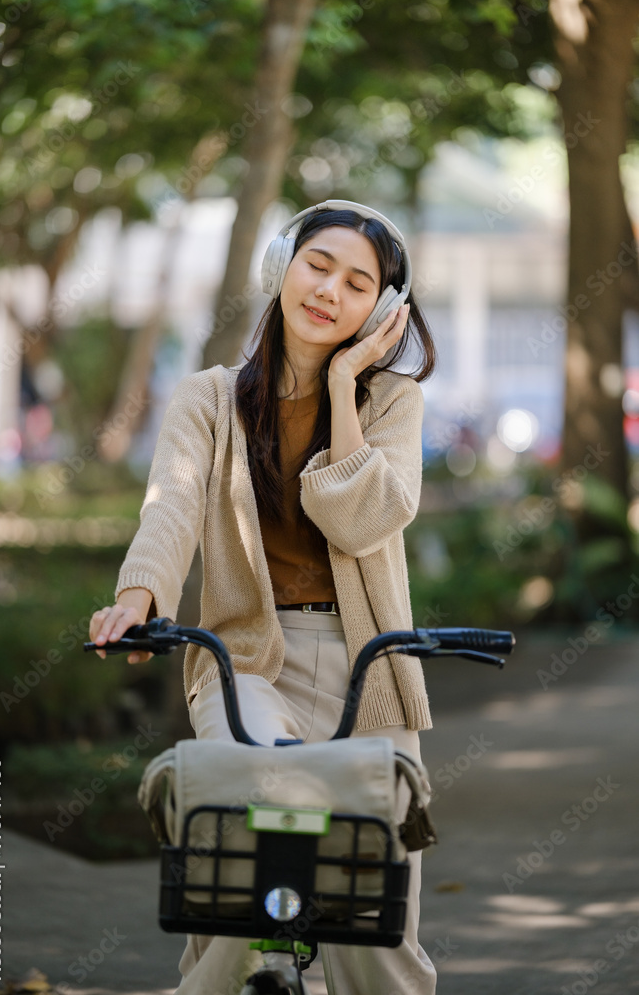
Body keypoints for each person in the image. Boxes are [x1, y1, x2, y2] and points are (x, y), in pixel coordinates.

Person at [88, 200, 438, 994]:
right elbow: (170, 510)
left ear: (380, 309)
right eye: (318, 265)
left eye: (357, 284)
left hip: (367, 670)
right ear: (282, 264)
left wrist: (345, 384)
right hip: (247, 657)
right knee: (238, 856)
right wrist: (138, 595)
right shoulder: (208, 399)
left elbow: (365, 520)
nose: (329, 292)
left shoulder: (392, 402)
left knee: (373, 922)